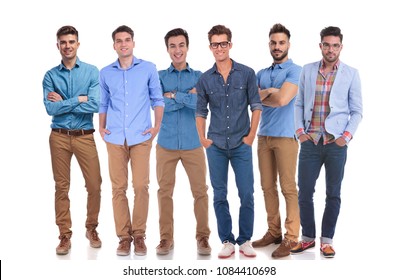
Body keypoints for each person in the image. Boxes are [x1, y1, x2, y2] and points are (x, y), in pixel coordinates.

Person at [292, 26, 363, 258]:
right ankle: (308, 238)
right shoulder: (308, 70)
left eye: (335, 45)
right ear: (320, 45)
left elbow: (357, 111)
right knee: (304, 193)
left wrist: (346, 137)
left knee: (333, 193)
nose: (330, 49)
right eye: (326, 44)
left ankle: (327, 241)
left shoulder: (351, 73)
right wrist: (300, 132)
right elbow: (299, 103)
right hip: (310, 141)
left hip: (335, 144)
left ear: (340, 47)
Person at [196, 24, 262, 259]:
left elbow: (256, 106)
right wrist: (203, 139)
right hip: (216, 146)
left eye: (224, 43)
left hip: (241, 143)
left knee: (246, 193)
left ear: (230, 45)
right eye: (215, 44)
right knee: (219, 194)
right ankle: (227, 240)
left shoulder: (246, 73)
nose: (220, 48)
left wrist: (251, 137)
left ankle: (245, 240)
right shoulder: (205, 79)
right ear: (210, 47)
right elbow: (200, 111)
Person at [99, 25, 164, 256]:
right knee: (118, 188)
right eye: (119, 40)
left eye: (127, 40)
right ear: (114, 45)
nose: (123, 44)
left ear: (133, 43)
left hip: (141, 136)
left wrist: (156, 126)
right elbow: (103, 103)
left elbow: (157, 98)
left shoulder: (148, 68)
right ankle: (124, 237)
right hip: (115, 136)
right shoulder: (106, 72)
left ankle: (139, 235)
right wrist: (101, 127)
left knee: (141, 186)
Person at [43, 25, 102, 255]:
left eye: (71, 41)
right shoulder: (50, 75)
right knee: (61, 187)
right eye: (63, 42)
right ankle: (64, 235)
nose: (67, 46)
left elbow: (95, 104)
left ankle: (91, 228)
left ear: (78, 44)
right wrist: (78, 98)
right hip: (58, 137)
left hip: (84, 136)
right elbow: (50, 108)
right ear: (58, 45)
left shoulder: (91, 72)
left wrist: (64, 102)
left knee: (95, 185)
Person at [155, 28, 211, 256]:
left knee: (200, 192)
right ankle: (166, 239)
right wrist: (186, 96)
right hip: (166, 143)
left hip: (193, 143)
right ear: (167, 49)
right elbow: (159, 105)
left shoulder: (200, 77)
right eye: (172, 46)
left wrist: (174, 95)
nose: (177, 50)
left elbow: (201, 105)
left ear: (187, 47)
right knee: (164, 192)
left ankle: (203, 238)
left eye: (181, 45)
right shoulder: (159, 76)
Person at [251, 23, 301, 258]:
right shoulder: (261, 73)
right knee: (267, 187)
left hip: (286, 136)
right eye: (273, 42)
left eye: (281, 42)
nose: (277, 46)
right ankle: (274, 232)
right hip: (264, 136)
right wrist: (269, 91)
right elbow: (250, 102)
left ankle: (291, 237)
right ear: (269, 44)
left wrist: (269, 94)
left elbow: (282, 100)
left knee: (288, 188)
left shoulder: (295, 71)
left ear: (288, 44)